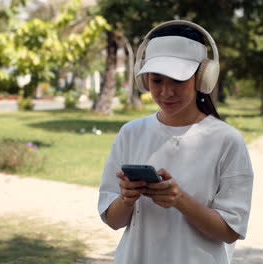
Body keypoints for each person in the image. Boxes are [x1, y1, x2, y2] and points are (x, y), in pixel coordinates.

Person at [98, 20, 254, 264]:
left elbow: (230, 231)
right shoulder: (130, 133)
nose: (166, 92)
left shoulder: (227, 141)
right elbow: (114, 221)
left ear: (202, 78)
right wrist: (126, 199)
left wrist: (180, 200)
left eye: (178, 80)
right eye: (157, 80)